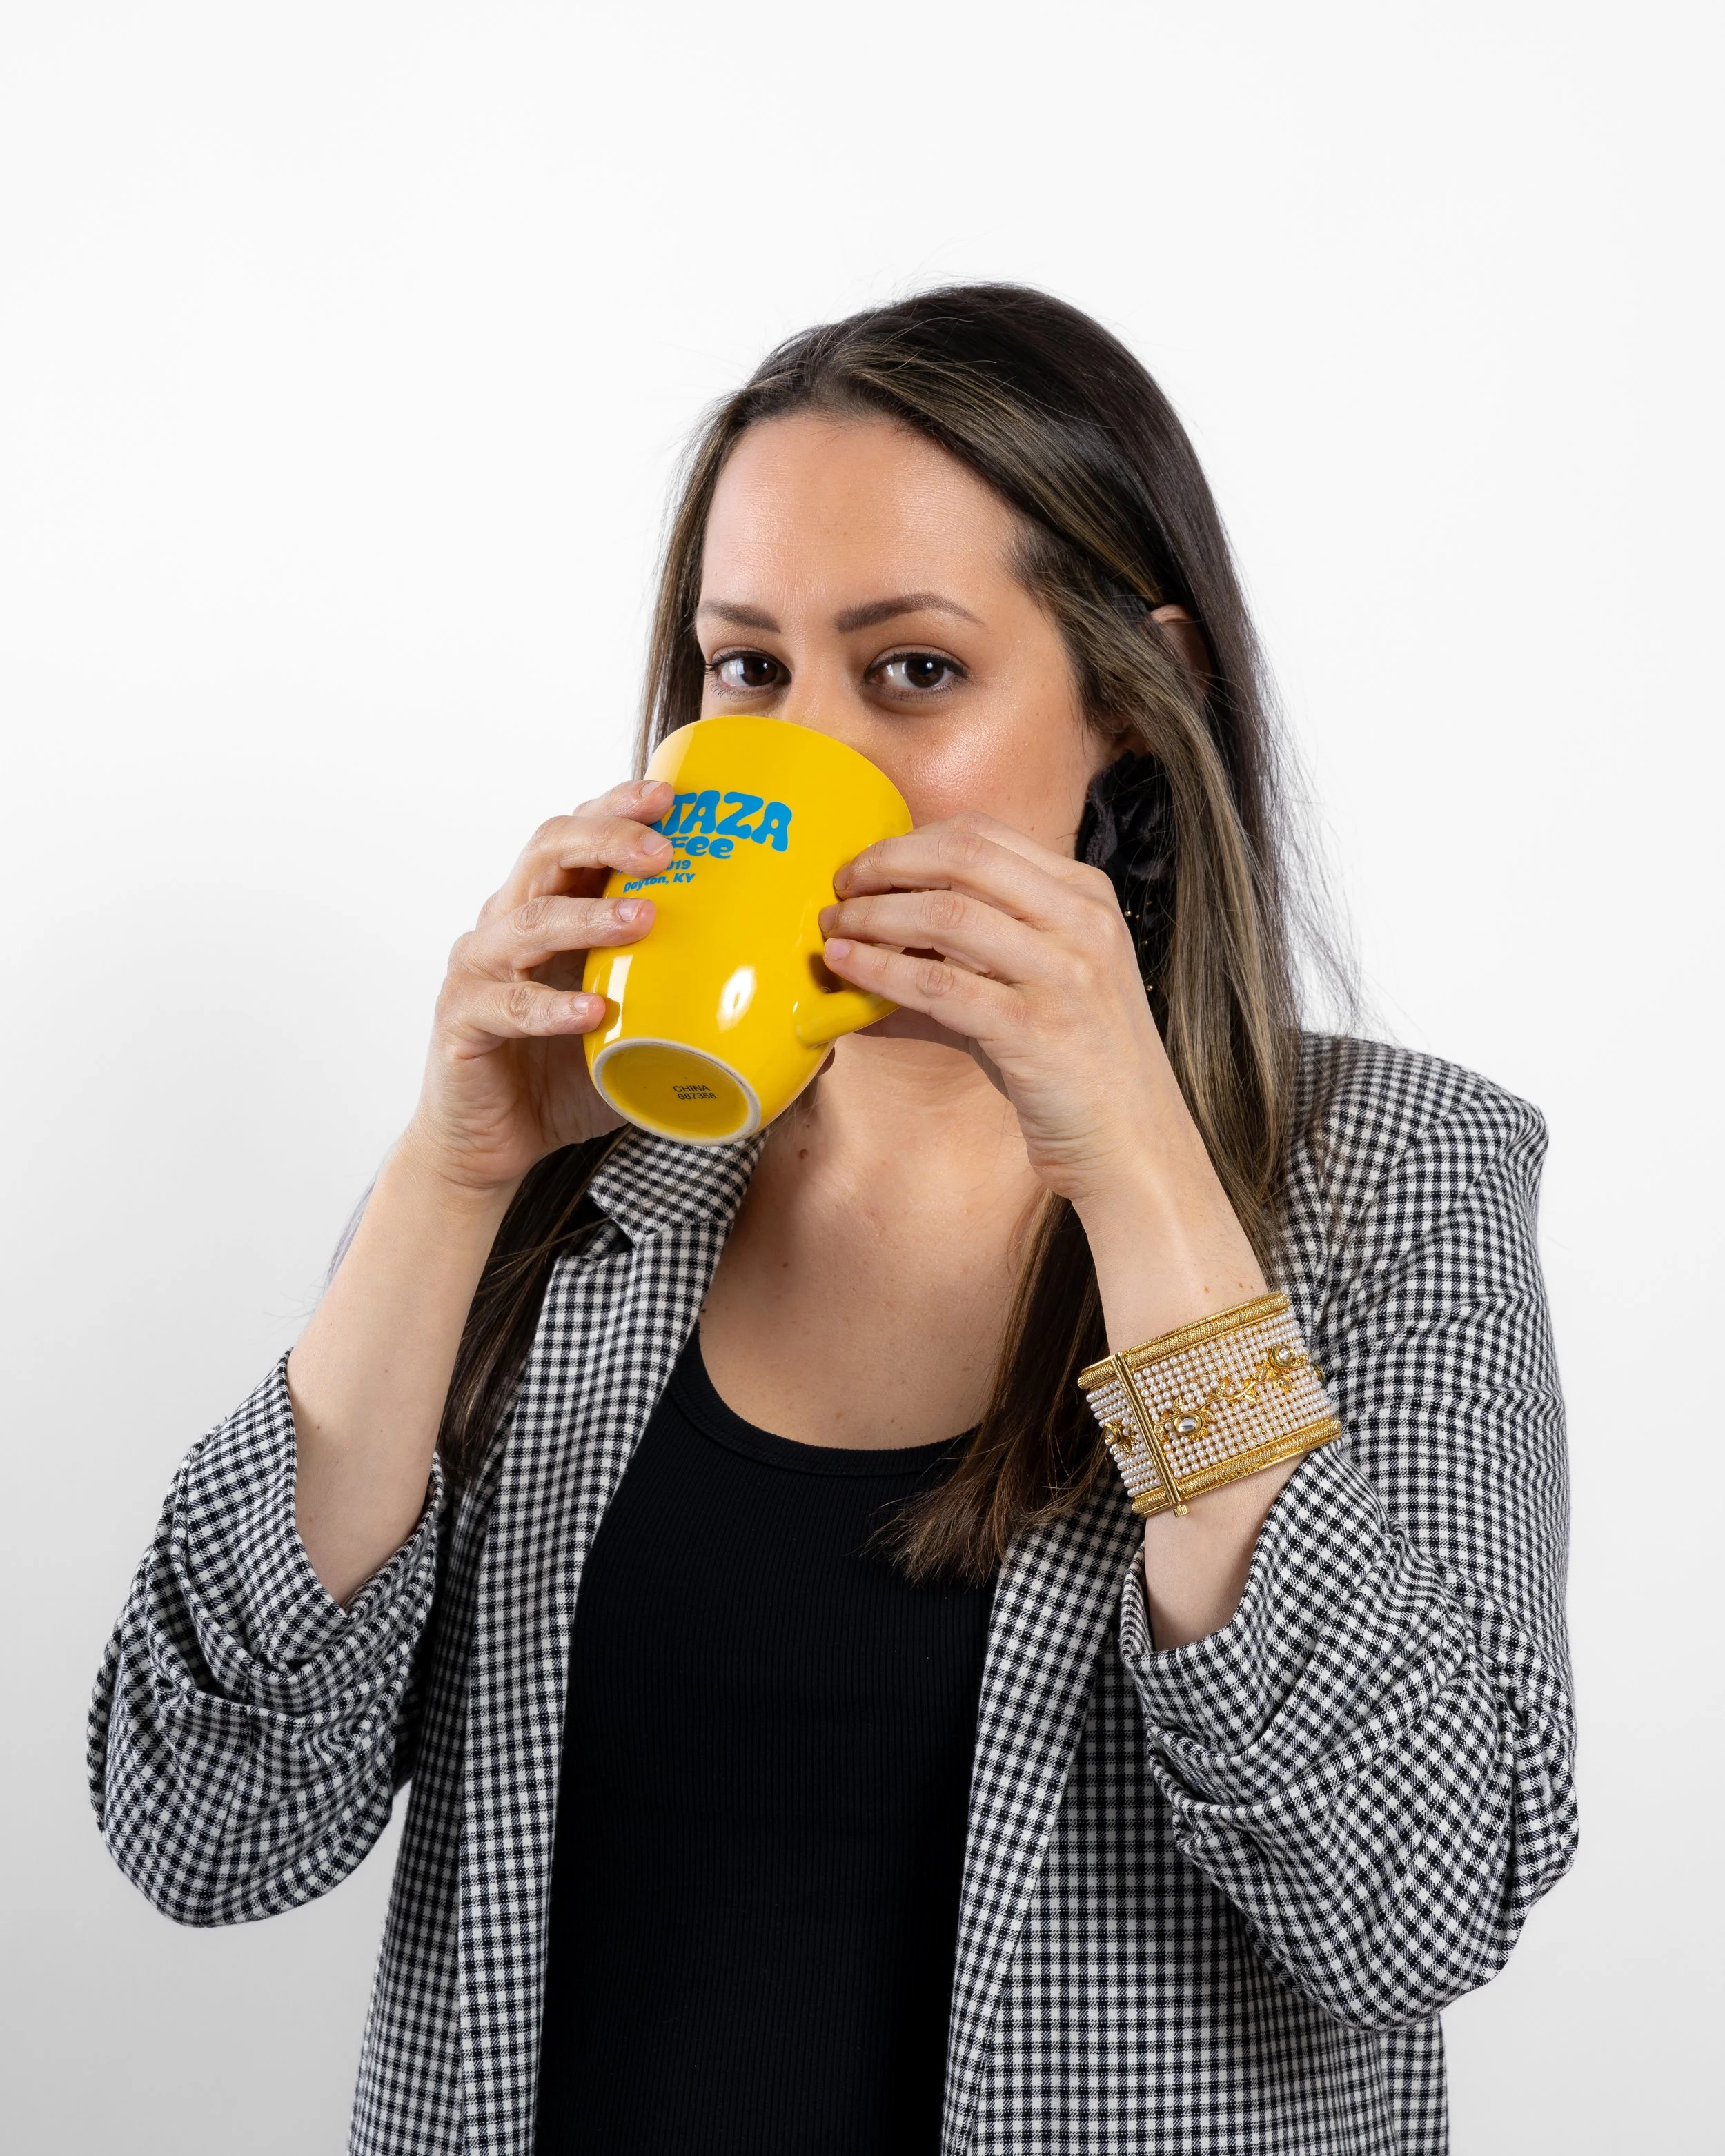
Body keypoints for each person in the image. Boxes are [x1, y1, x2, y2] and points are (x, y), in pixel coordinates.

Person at [88, 284, 1577, 2156]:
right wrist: (449, 1177)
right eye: (747, 671)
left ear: (1137, 700)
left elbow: (1408, 1903)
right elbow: (205, 1828)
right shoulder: (560, 1189)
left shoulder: (1396, 1180)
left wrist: (1140, 1173)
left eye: (914, 671)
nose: (817, 757)